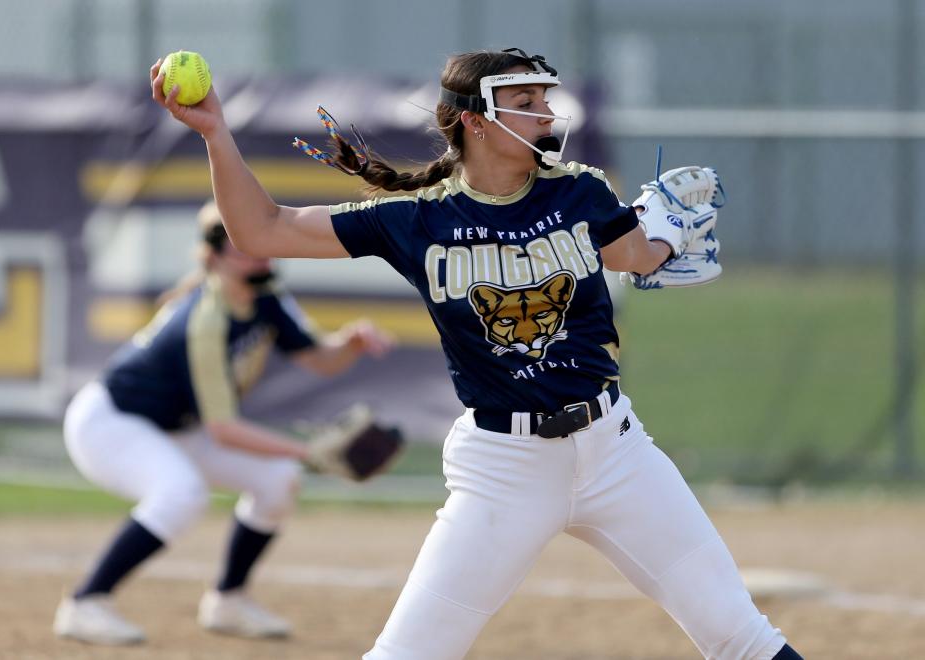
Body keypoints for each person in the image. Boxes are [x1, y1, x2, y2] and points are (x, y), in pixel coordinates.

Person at [151, 47, 803, 660]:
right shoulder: (418, 216)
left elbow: (635, 257)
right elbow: (261, 230)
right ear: (477, 121)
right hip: (505, 468)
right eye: (527, 100)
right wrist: (214, 132)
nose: (548, 112)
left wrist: (663, 229)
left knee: (739, 634)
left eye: (546, 98)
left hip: (616, 450)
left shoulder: (579, 190)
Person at [53, 201, 393, 646]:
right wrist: (308, 451)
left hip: (176, 425)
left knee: (278, 479)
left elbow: (318, 359)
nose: (258, 252)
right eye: (243, 244)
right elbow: (224, 431)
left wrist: (349, 343)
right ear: (214, 256)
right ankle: (85, 603)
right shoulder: (205, 319)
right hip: (110, 422)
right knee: (182, 493)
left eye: (258, 240)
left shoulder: (266, 295)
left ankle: (228, 601)